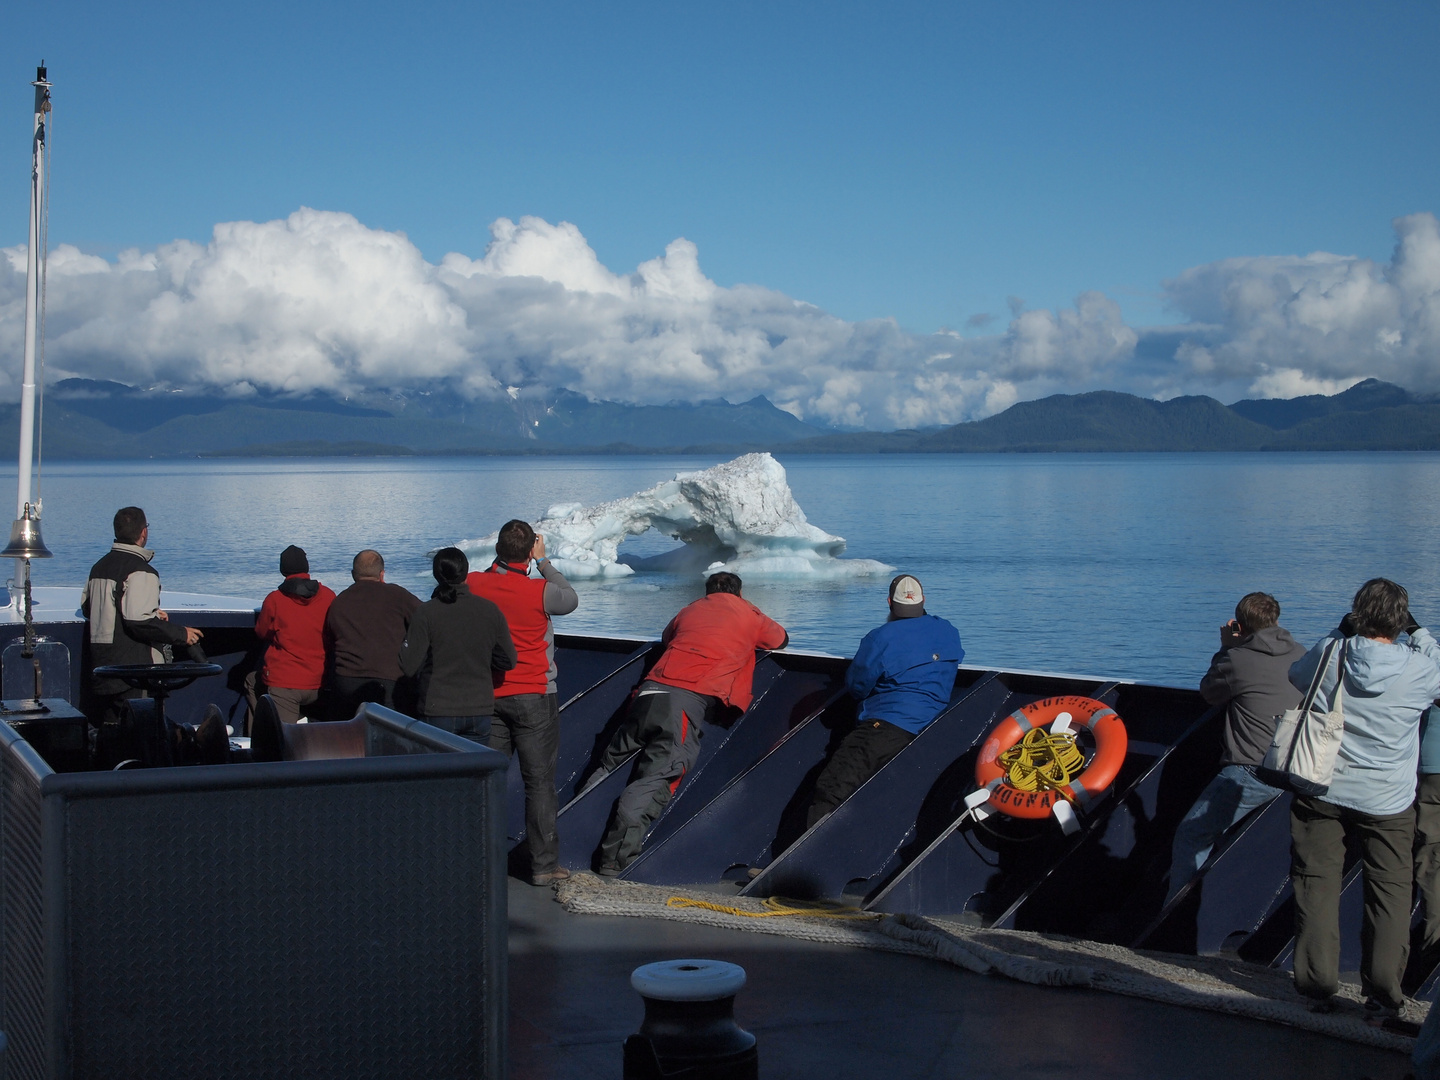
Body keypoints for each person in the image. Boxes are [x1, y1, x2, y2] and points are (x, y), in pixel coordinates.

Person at [1288, 578, 1440, 1020]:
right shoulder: (1417, 668)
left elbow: (1298, 677)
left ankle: (1317, 985)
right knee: (1390, 893)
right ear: (1399, 621)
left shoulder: (1330, 652)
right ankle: (1384, 993)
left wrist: (1338, 634)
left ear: (1357, 614)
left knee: (1315, 883)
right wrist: (1422, 633)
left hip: (1321, 785)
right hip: (1388, 797)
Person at [585, 571, 787, 876]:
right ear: (740, 592)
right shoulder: (748, 613)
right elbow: (781, 639)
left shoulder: (689, 609)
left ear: (706, 591)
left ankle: (572, 830)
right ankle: (615, 861)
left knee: (609, 765)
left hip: (648, 692)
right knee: (659, 776)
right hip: (684, 701)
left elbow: (668, 638)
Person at [1164, 592, 1305, 902]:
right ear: (1276, 619)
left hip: (1253, 771)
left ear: (1239, 624)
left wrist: (1226, 647)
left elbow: (1209, 692)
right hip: (1295, 767)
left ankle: (1173, 919)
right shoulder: (1302, 653)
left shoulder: (1237, 659)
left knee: (1191, 834)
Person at [467, 520, 579, 887]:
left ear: (497, 549)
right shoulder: (540, 590)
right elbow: (570, 598)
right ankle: (544, 866)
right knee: (539, 784)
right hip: (534, 696)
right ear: (530, 550)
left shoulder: (475, 584)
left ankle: (480, 857)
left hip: (489, 694)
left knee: (488, 781)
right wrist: (543, 562)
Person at [806, 575, 962, 829]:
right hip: (932, 724)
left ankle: (802, 865)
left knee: (832, 787)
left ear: (889, 603)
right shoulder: (947, 630)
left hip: (886, 726)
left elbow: (857, 686)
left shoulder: (880, 637)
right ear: (923, 601)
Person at [82, 506, 203, 727]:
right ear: (143, 533)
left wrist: (152, 614)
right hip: (134, 674)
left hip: (102, 670)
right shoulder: (141, 571)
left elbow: (89, 609)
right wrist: (181, 634)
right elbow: (139, 621)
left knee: (111, 733)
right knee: (141, 735)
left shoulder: (98, 568)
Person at [398, 547, 517, 745]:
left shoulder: (426, 613)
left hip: (438, 709)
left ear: (437, 575)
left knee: (437, 773)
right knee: (473, 773)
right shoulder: (489, 610)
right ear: (466, 572)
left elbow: (408, 665)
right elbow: (508, 660)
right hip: (479, 708)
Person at [246, 545, 336, 726]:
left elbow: (262, 632)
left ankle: (259, 740)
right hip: (322, 678)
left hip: (285, 682)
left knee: (251, 681)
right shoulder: (328, 596)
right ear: (307, 567)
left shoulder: (275, 599)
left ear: (282, 570)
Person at [324, 549, 421, 715]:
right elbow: (424, 620)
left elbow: (330, 638)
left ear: (353, 575)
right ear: (382, 574)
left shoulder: (339, 602)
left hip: (346, 682)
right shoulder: (397, 595)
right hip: (389, 680)